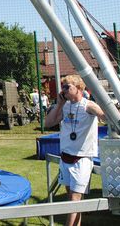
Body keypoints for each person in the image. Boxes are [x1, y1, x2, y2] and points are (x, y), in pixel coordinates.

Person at [44, 75, 105, 226]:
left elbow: (105, 116)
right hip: (66, 157)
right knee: (72, 200)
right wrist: (59, 104)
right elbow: (48, 123)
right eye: (62, 87)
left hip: (81, 159)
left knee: (74, 200)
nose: (63, 90)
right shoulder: (64, 106)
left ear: (78, 88)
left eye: (67, 87)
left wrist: (104, 112)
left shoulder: (88, 106)